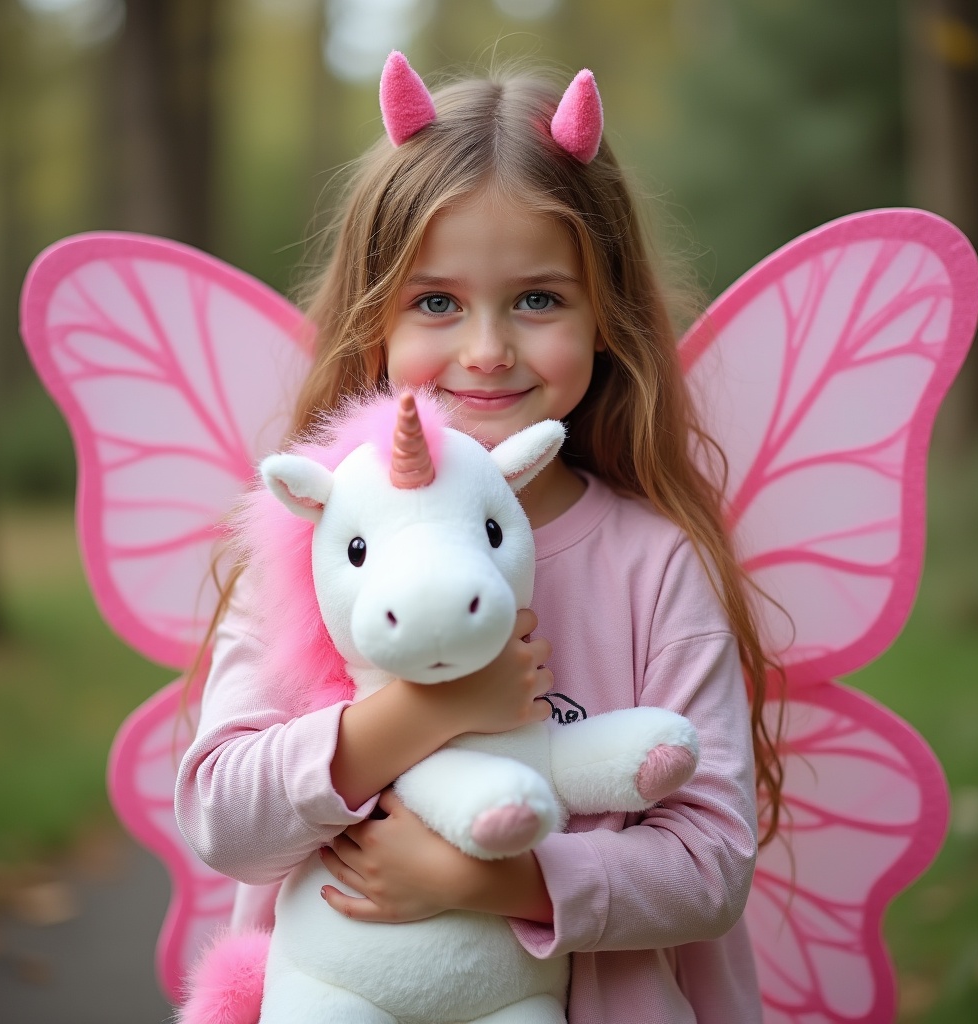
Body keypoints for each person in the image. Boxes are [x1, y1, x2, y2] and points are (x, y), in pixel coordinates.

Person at [176, 52, 783, 1024]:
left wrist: (498, 879)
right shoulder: (316, 545)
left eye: (538, 299)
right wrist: (417, 716)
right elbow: (223, 817)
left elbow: (710, 863)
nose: (487, 347)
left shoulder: (653, 562)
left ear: (605, 318)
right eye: (436, 302)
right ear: (373, 322)